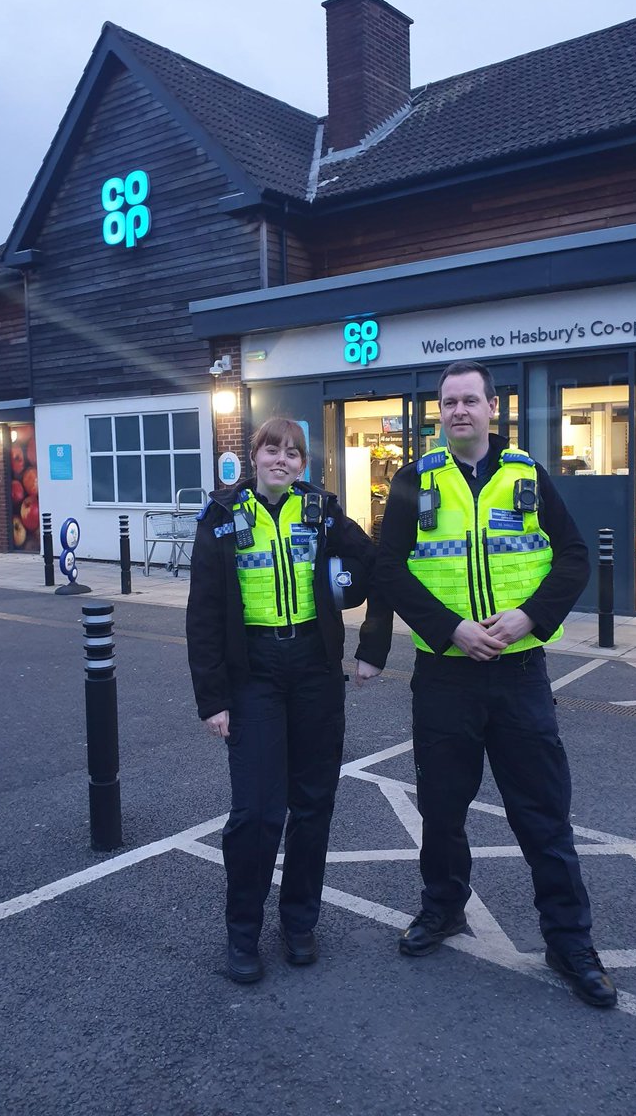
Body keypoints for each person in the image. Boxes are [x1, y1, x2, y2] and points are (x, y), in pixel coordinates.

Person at [375, 361, 617, 1008]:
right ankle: (443, 907)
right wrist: (451, 628)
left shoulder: (527, 475)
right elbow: (389, 568)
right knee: (443, 809)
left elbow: (573, 557)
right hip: (445, 675)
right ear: (440, 413)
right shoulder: (412, 480)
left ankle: (570, 942)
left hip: (519, 675)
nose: (459, 411)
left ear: (490, 409)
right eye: (449, 402)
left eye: (470, 401)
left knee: (542, 816)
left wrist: (528, 616)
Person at [187, 417, 391, 984]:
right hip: (252, 673)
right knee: (255, 812)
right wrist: (213, 700)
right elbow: (202, 614)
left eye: (293, 453)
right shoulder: (223, 518)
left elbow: (377, 568)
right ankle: (243, 932)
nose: (283, 459)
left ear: (304, 463)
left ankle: (300, 923)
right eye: (272, 450)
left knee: (312, 803)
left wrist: (371, 645)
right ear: (254, 457)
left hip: (313, 670)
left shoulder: (322, 512)